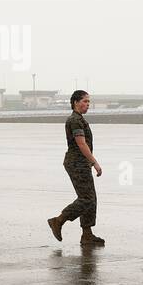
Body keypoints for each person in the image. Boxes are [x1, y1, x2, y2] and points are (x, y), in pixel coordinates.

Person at [47, 90, 104, 245]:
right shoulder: (75, 120)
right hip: (76, 163)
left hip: (81, 163)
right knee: (86, 199)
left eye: (88, 102)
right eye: (85, 101)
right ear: (76, 102)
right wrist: (95, 162)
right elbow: (81, 143)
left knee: (91, 199)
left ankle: (87, 234)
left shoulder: (80, 119)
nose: (87, 105)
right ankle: (58, 220)